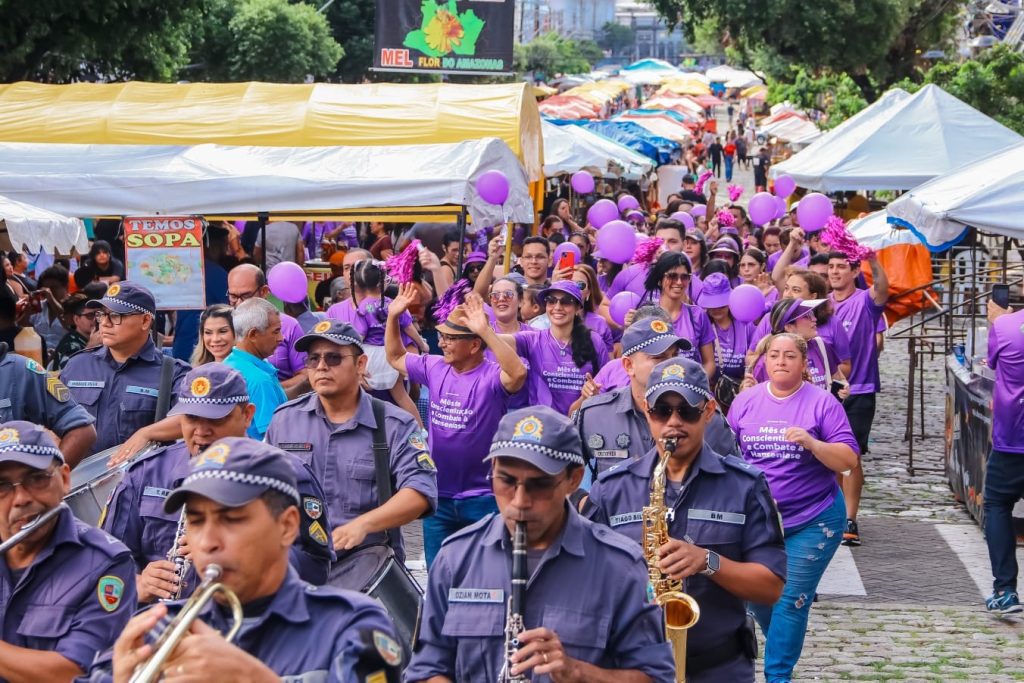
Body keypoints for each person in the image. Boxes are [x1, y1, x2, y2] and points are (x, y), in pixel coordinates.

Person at [94, 437, 403, 683]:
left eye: (232, 519)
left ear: (287, 526)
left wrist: (248, 677)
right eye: (197, 521)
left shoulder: (351, 626)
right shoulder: (153, 629)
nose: (208, 542)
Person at [405, 406, 677, 683]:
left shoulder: (620, 566)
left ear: (573, 479)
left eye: (540, 484)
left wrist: (578, 672)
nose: (520, 501)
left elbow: (657, 677)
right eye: (506, 481)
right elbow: (425, 669)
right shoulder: (455, 558)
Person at [585, 358, 786, 683]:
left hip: (719, 669)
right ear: (647, 413)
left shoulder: (745, 486)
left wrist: (707, 561)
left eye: (687, 411)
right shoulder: (611, 490)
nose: (673, 422)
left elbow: (771, 587)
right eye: (662, 411)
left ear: (708, 412)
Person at [101, 363, 333, 603]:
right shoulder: (146, 472)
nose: (201, 431)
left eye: (216, 419)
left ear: (247, 415)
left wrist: (249, 556)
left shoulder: (291, 476)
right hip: (161, 624)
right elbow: (106, 563)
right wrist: (137, 583)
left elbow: (316, 570)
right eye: (191, 418)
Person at [728, 333, 860, 682]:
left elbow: (848, 459)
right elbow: (726, 454)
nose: (781, 361)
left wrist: (814, 444)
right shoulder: (746, 401)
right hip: (760, 522)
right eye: (774, 355)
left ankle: (778, 676)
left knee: (789, 600)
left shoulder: (822, 403)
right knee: (759, 597)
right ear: (764, 361)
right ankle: (781, 648)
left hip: (813, 519)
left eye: (789, 356)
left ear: (804, 365)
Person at [265, 320, 437, 574]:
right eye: (313, 359)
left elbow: (420, 491)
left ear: (360, 364)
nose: (321, 367)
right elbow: (260, 488)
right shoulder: (285, 420)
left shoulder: (393, 424)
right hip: (297, 568)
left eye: (333, 358)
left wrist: (364, 524)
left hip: (368, 566)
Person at [386, 286, 526, 565]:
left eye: (451, 338)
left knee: (487, 575)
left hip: (485, 498)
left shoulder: (491, 376)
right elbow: (395, 357)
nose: (444, 343)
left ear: (474, 345)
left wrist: (487, 331)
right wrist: (392, 317)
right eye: (442, 337)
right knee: (440, 574)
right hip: (439, 498)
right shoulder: (435, 367)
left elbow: (518, 372)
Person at [0, 421, 136, 681]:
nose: (20, 499)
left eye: (36, 479)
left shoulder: (106, 564)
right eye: (2, 486)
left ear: (64, 479)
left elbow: (73, 672)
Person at [60, 282, 189, 459]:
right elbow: (52, 416)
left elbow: (191, 417)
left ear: (145, 321)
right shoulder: (78, 365)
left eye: (115, 316)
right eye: (101, 315)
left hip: (141, 479)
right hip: (81, 479)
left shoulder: (171, 372)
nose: (105, 323)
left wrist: (147, 433)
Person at [828, 249, 889, 546]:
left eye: (842, 267)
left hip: (861, 388)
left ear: (854, 272)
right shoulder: (822, 305)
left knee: (850, 456)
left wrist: (873, 261)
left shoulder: (864, 301)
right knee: (831, 456)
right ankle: (835, 514)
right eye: (831, 267)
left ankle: (850, 519)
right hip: (829, 390)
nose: (835, 272)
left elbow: (882, 289)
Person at [499, 281, 608, 415]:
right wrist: (482, 329)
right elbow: (499, 342)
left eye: (566, 301)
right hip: (541, 427)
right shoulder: (533, 340)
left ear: (578, 308)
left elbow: (605, 384)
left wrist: (590, 394)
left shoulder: (594, 341)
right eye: (551, 300)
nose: (557, 307)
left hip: (581, 425)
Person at [982, 298, 1024, 613]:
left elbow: (992, 364)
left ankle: (1005, 588)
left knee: (997, 505)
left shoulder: (1004, 326)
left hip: (1013, 435)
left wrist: (999, 322)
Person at [227, 264, 306, 391]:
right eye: (233, 297)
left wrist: (269, 388)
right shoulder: (220, 326)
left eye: (246, 296)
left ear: (264, 291)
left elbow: (305, 375)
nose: (240, 303)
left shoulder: (290, 325)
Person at [642, 252, 716, 379]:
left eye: (685, 277)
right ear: (660, 280)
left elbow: (709, 363)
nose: (679, 282)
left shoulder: (697, 315)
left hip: (692, 390)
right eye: (672, 276)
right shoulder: (646, 315)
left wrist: (697, 385)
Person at [222, 297, 287, 440]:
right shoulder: (259, 380)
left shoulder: (227, 365)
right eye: (276, 331)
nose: (281, 338)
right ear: (253, 334)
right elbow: (272, 439)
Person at [696, 273, 752, 411]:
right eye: (712, 304)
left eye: (721, 303)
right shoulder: (701, 324)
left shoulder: (745, 324)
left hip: (742, 393)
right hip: (710, 395)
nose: (716, 308)